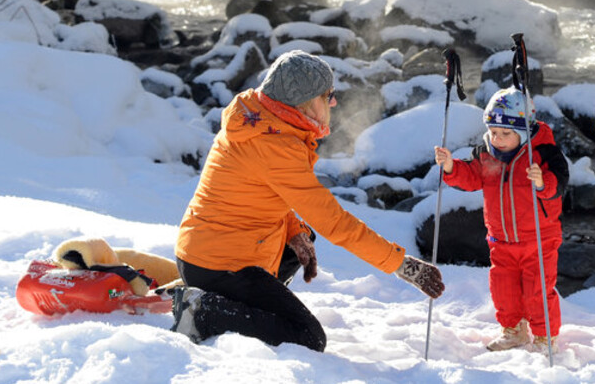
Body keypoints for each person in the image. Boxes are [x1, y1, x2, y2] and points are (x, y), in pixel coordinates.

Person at [172, 50, 445, 351]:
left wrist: (293, 230)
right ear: (306, 101)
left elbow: (261, 189)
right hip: (220, 265)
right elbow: (336, 224)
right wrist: (401, 264)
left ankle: (243, 305)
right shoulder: (274, 145)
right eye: (328, 95)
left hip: (206, 250)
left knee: (302, 235)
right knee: (307, 336)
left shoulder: (258, 119)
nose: (334, 102)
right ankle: (203, 312)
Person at [433, 87, 569, 352]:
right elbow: (472, 177)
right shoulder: (485, 154)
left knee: (537, 291)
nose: (498, 139)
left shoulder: (543, 153)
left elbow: (559, 185)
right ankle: (513, 329)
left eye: (506, 133)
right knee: (502, 290)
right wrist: (450, 167)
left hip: (538, 239)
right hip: (500, 239)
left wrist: (542, 182)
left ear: (524, 131)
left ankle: (544, 337)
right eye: (494, 132)